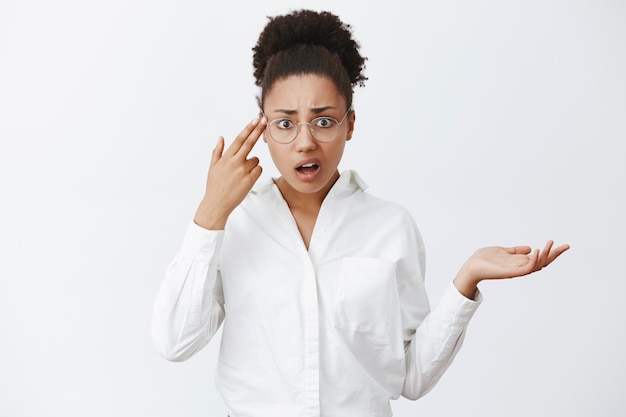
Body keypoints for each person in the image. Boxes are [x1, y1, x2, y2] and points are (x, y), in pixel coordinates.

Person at [151, 9, 569, 417]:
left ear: (350, 124)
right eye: (285, 123)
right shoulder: (235, 224)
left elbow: (412, 378)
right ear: (263, 127)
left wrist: (467, 279)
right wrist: (210, 213)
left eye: (323, 121)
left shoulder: (390, 227)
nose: (305, 142)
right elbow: (175, 343)